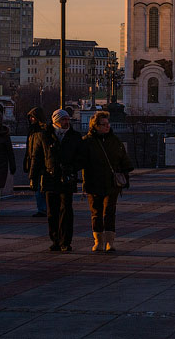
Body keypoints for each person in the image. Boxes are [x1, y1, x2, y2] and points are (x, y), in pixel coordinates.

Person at [76, 110, 133, 252]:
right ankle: (98, 241)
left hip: (111, 183)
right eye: (104, 124)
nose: (107, 126)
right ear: (95, 126)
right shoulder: (87, 142)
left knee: (109, 212)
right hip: (93, 182)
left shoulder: (114, 140)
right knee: (96, 212)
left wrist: (124, 176)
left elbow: (124, 160)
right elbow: (81, 163)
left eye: (108, 124)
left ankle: (110, 242)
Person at [26, 108, 81, 251]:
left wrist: (72, 169)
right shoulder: (45, 136)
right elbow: (36, 158)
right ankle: (55, 239)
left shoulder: (74, 136)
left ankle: (65, 241)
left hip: (67, 178)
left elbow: (81, 158)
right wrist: (33, 177)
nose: (66, 122)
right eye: (63, 120)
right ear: (56, 121)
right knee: (52, 211)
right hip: (50, 177)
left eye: (68, 119)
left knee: (66, 210)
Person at [24, 107, 48, 217]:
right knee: (39, 187)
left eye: (33, 117)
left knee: (40, 187)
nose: (31, 119)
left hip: (40, 163)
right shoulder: (34, 131)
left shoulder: (39, 132)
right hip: (35, 161)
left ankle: (43, 208)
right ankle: (43, 208)